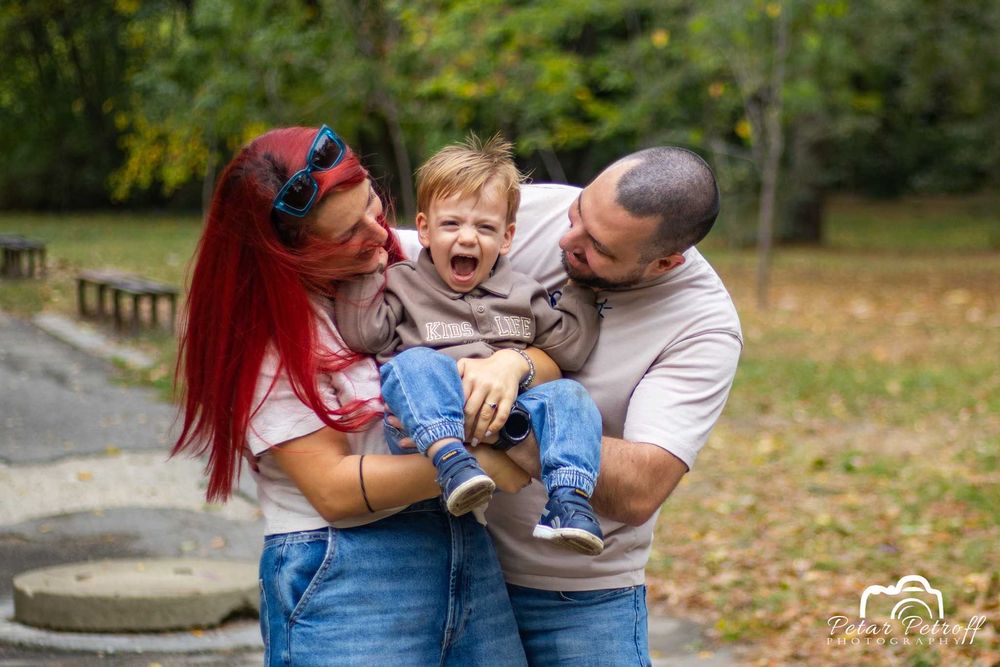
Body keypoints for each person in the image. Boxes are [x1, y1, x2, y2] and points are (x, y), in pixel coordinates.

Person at [170, 124, 529, 666]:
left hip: (463, 545)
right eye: (346, 235)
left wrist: (514, 363)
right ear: (289, 254)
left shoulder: (409, 256)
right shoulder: (264, 334)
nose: (378, 232)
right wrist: (481, 465)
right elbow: (332, 490)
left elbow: (537, 296)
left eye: (372, 204)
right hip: (346, 570)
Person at [397, 146, 743, 665]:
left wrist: (495, 415)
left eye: (597, 247)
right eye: (578, 213)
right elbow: (380, 249)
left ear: (665, 262)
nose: (566, 239)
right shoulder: (535, 212)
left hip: (576, 597)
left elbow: (641, 486)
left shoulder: (703, 328)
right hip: (449, 561)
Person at [334, 135, 605, 554]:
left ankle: (569, 498)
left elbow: (568, 349)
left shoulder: (524, 292)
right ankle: (453, 462)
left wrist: (581, 290)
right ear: (424, 229)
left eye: (485, 227)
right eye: (451, 224)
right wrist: (365, 271)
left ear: (507, 238)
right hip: (423, 425)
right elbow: (365, 334)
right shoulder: (403, 283)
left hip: (507, 419)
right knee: (413, 363)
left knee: (570, 395)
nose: (467, 238)